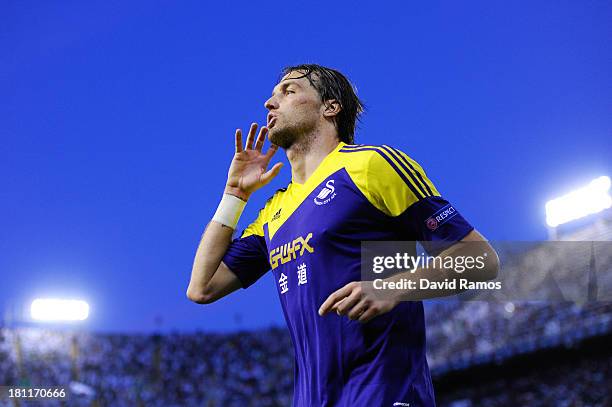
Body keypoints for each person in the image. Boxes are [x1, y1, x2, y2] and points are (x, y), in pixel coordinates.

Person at [187, 64, 499, 406]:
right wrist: (234, 195)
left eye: (288, 91)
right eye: (274, 94)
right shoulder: (275, 212)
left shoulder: (371, 165)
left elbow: (480, 261)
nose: (269, 103)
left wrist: (392, 286)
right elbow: (202, 287)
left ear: (330, 107)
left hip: (385, 394)